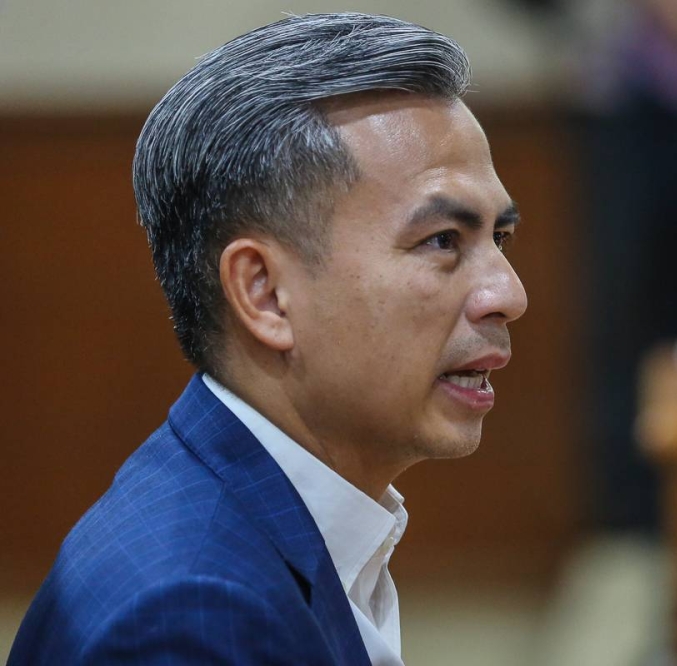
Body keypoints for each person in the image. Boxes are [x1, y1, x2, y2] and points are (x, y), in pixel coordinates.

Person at [9, 12, 527, 665]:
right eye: (442, 242)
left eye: (498, 239)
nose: (508, 295)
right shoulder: (190, 620)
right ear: (264, 294)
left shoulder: (261, 518)